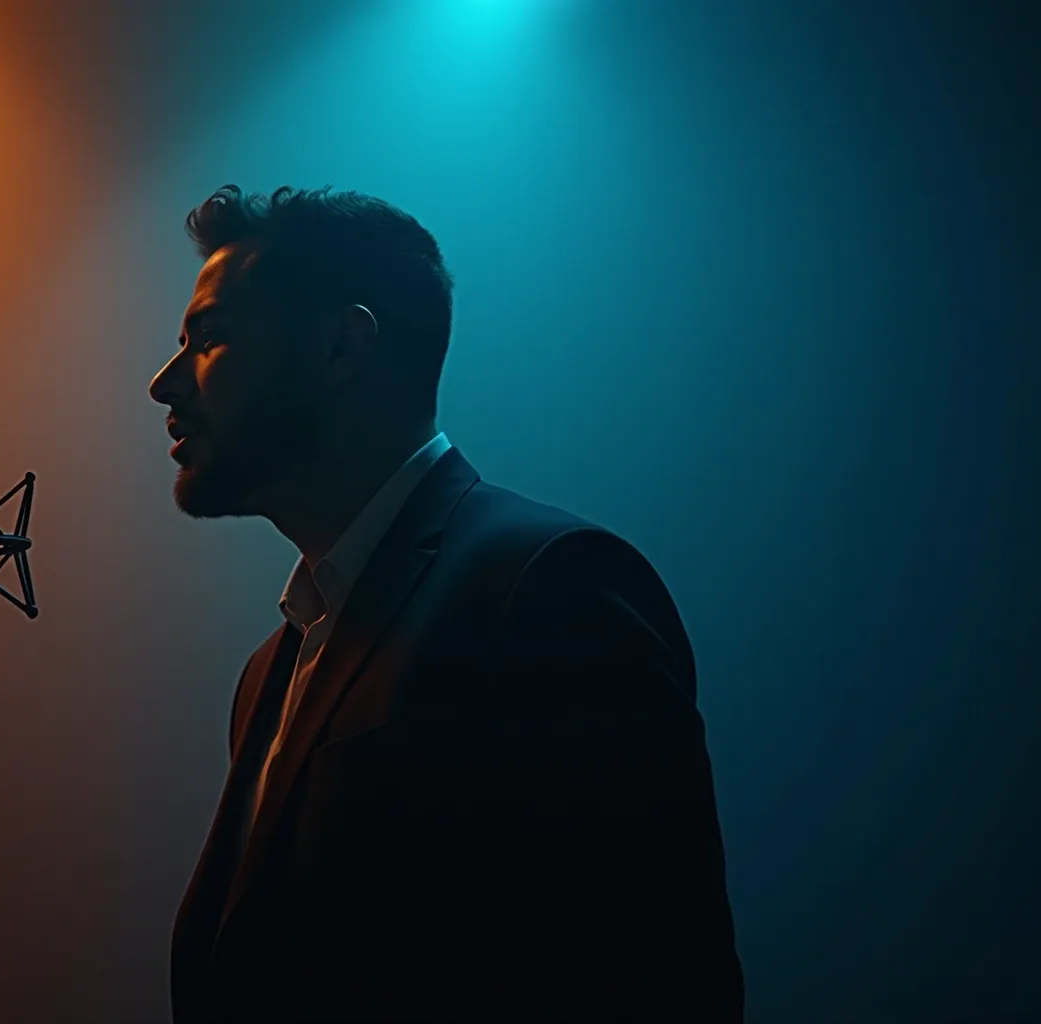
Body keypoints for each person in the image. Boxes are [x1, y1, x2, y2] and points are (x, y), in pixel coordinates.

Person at [152, 184, 744, 1022]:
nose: (164, 382)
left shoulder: (552, 586)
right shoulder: (268, 673)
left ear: (340, 347)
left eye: (209, 338)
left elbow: (656, 979)